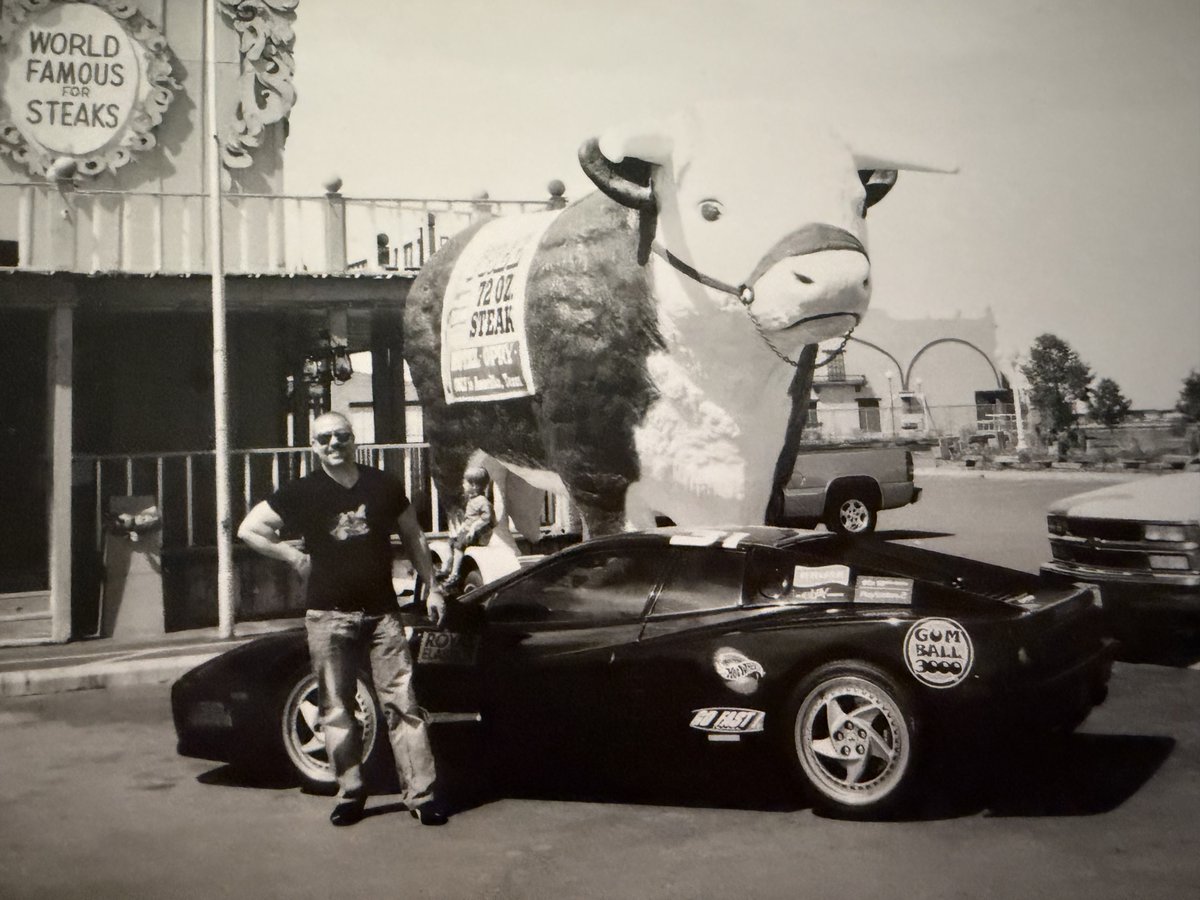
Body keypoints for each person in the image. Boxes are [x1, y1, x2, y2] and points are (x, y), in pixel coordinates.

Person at [238, 412, 448, 827]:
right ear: (313, 447)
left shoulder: (383, 485)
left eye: (341, 436)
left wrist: (434, 586)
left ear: (354, 440)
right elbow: (250, 529)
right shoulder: (301, 492)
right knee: (335, 709)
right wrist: (292, 556)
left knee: (403, 704)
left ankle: (421, 796)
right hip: (327, 616)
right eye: (324, 439)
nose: (333, 444)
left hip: (383, 614)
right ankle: (350, 791)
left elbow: (414, 536)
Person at [438, 466, 495, 589]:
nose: (463, 485)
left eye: (465, 482)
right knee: (451, 542)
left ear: (474, 486)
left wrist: (474, 526)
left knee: (459, 546)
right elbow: (469, 517)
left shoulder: (482, 501)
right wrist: (464, 524)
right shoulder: (472, 499)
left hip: (477, 534)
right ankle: (448, 567)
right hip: (467, 531)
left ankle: (455, 574)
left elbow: (488, 518)